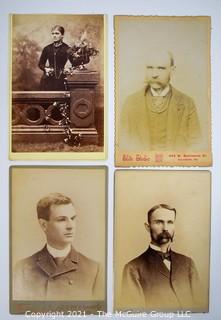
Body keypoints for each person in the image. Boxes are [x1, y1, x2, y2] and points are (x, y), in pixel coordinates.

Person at [13, 193, 103, 300]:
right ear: (44, 225)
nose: (70, 226)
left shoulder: (94, 270)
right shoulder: (22, 269)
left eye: (73, 218)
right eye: (61, 219)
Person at [121, 204, 201, 310]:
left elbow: (200, 306)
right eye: (159, 222)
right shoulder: (133, 268)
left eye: (170, 222)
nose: (165, 228)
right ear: (147, 227)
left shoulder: (188, 263)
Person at [120, 50, 201, 151]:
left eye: (161, 68)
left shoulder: (187, 103)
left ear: (172, 70)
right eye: (150, 68)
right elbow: (123, 145)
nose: (154, 74)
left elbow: (196, 145)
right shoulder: (130, 103)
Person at [38, 25, 72, 91]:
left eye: (57, 33)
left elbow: (74, 64)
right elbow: (40, 64)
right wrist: (46, 69)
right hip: (48, 79)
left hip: (62, 79)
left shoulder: (67, 49)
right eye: (53, 33)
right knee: (47, 99)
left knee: (60, 99)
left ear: (62, 35)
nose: (54, 35)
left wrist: (68, 69)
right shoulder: (47, 48)